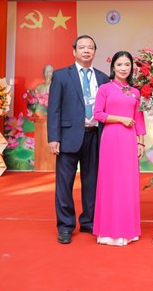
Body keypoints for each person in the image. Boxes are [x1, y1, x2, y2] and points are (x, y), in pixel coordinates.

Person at [47, 35, 109, 244]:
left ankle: (89, 221)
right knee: (64, 184)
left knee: (92, 182)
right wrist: (53, 138)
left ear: (95, 52)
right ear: (74, 51)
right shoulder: (61, 76)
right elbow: (54, 109)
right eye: (82, 47)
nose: (86, 50)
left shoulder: (102, 78)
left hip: (94, 136)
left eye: (90, 47)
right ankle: (65, 226)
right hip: (68, 137)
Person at [92, 51, 146, 246]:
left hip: (129, 139)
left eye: (127, 65)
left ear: (131, 68)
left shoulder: (135, 92)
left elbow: (139, 118)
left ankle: (128, 231)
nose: (123, 68)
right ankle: (108, 232)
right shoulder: (105, 88)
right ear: (113, 67)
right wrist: (121, 119)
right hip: (111, 138)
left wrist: (141, 142)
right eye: (119, 64)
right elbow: (98, 114)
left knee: (127, 183)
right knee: (110, 182)